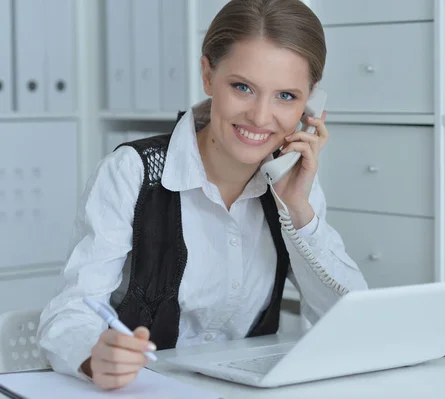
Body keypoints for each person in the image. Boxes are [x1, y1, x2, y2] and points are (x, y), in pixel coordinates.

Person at [37, 0, 368, 390]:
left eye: (286, 97)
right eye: (242, 87)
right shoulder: (133, 173)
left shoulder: (291, 187)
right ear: (208, 76)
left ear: (312, 104)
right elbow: (68, 313)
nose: (261, 117)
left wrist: (298, 211)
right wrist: (95, 354)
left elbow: (354, 322)